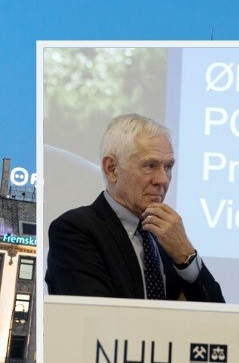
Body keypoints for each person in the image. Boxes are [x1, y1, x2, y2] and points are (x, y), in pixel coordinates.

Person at [46, 113, 224, 302]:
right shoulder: (75, 231)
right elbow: (96, 320)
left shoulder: (168, 239)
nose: (163, 179)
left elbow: (219, 321)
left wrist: (186, 256)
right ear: (112, 168)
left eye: (168, 167)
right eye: (150, 165)